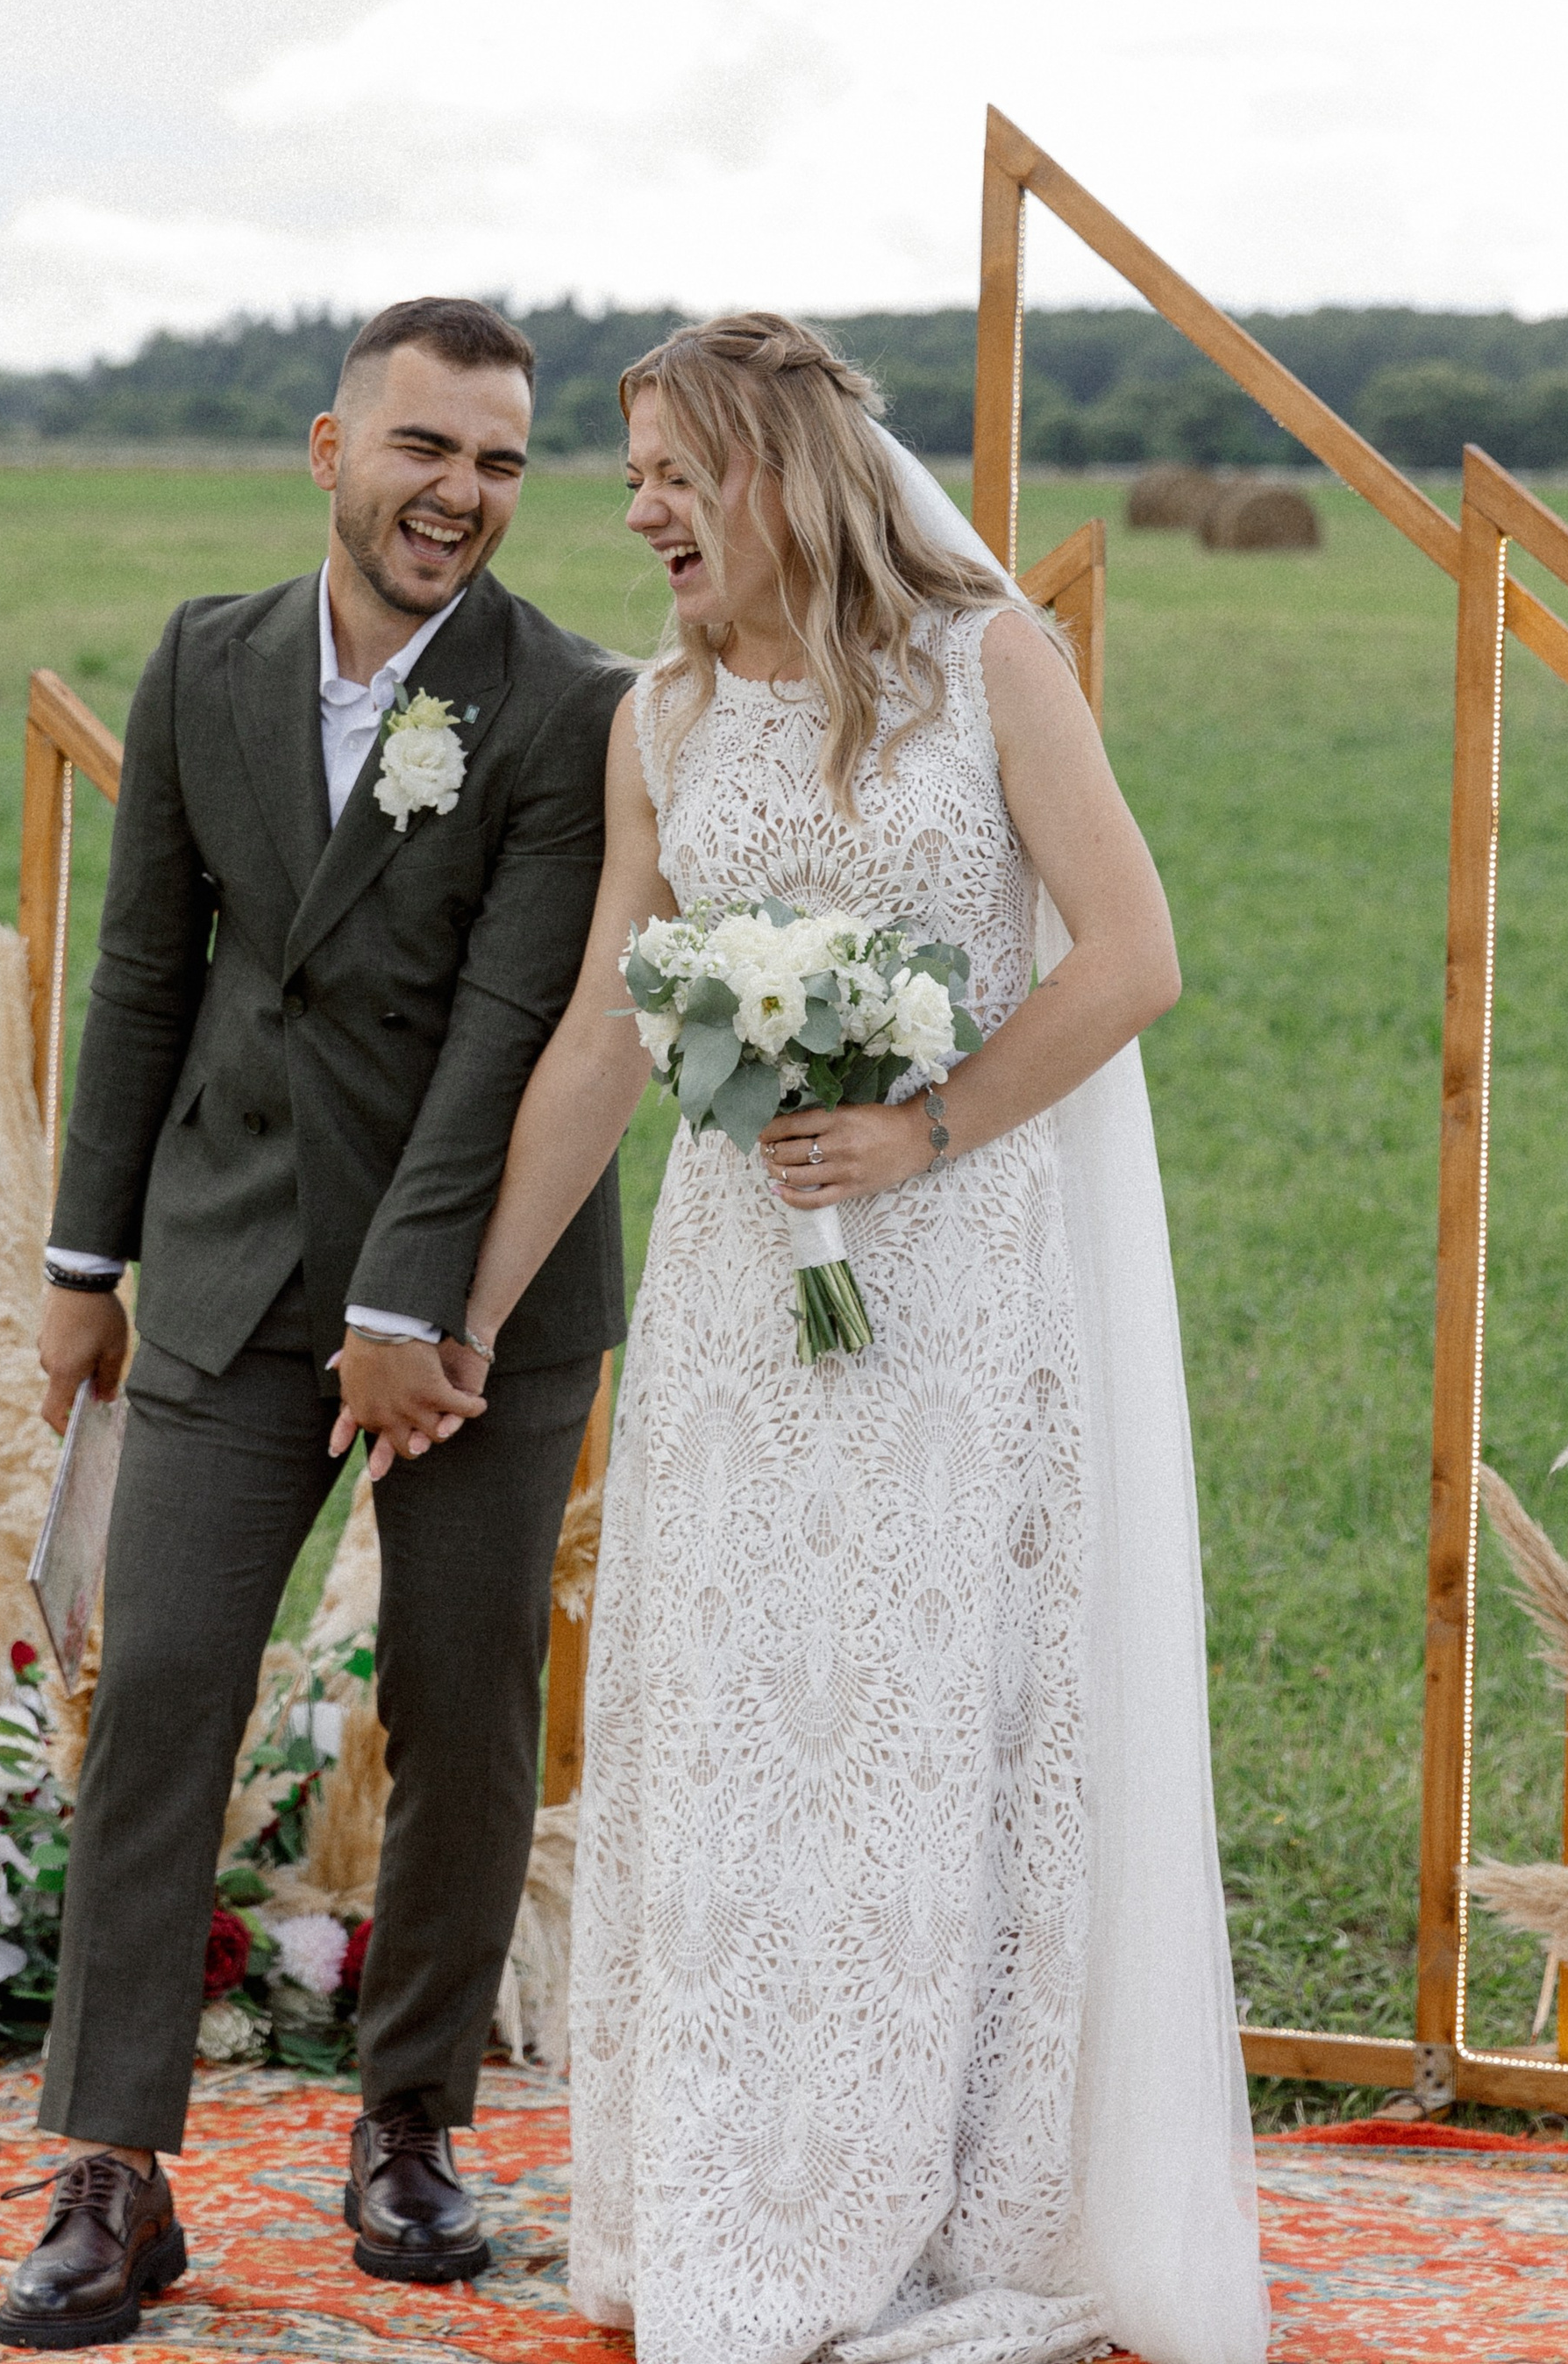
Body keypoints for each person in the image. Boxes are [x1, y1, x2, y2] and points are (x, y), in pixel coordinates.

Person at [433, 315, 1268, 2364]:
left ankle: (934, 2203)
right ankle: (730, 2194)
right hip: (736, 1308)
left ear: (776, 468)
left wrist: (925, 1123)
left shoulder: (987, 666)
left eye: (665, 478)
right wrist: (464, 1309)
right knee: (733, 1729)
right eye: (626, 481)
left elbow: (1134, 954)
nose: (633, 517)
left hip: (955, 1293)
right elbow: (613, 1031)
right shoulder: (663, 720)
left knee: (911, 1732)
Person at [0, 297, 634, 2352]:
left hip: (481, 1304)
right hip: (226, 1262)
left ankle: (413, 2128)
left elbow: (507, 1031)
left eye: (501, 462)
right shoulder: (206, 660)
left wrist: (408, 1310)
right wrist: (86, 1266)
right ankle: (112, 2174)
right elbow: (143, 979)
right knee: (164, 1678)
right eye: (425, 448)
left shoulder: (565, 703)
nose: (461, 493)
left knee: (460, 1707)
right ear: (328, 451)